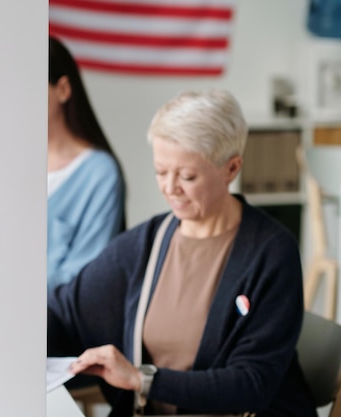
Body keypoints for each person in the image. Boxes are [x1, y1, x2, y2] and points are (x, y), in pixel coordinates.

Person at [47, 89, 317, 416]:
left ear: (231, 169)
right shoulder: (147, 244)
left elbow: (251, 383)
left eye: (187, 176)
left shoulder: (271, 253)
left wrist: (142, 379)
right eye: (161, 171)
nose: (170, 187)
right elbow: (64, 313)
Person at [47, 36, 126, 292]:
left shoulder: (99, 174)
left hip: (55, 327)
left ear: (63, 89)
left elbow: (84, 275)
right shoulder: (7, 164)